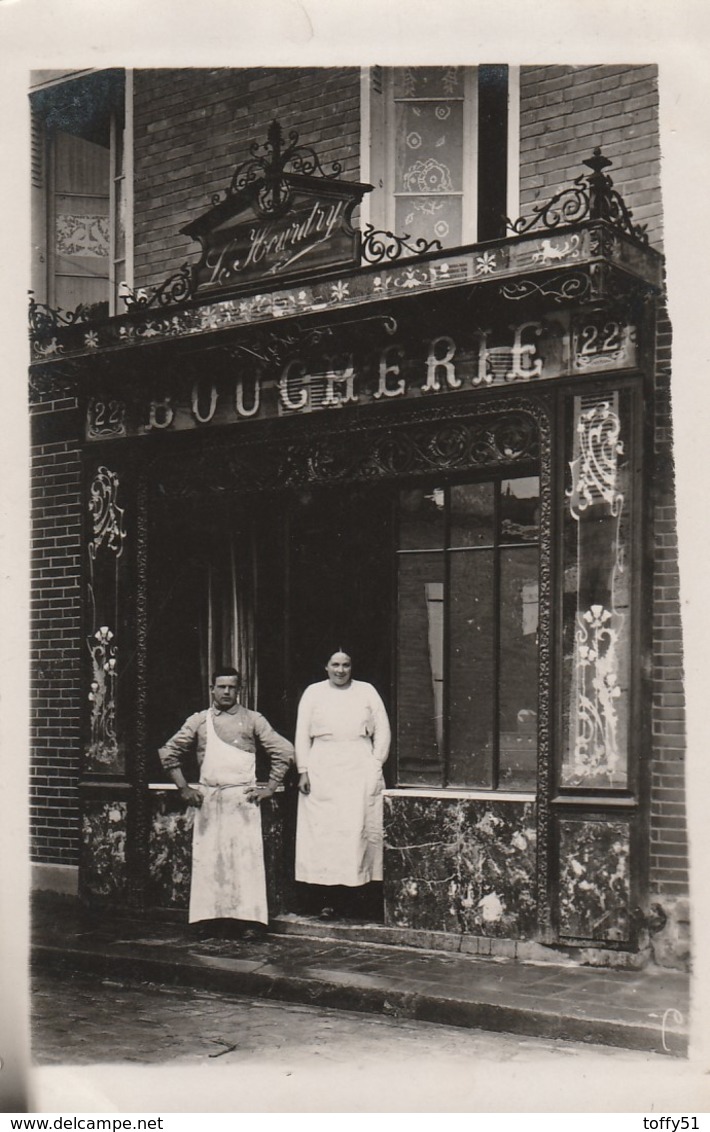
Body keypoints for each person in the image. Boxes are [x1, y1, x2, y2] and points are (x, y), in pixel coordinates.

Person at [159, 666, 294, 938]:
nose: (226, 692)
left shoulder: (253, 719)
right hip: (209, 801)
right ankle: (208, 921)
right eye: (221, 686)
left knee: (245, 863)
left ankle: (250, 923)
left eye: (232, 687)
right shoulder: (199, 720)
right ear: (212, 689)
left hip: (242, 802)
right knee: (210, 862)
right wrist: (184, 787)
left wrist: (270, 787)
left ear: (239, 689)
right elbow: (168, 751)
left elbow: (285, 751)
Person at [295, 650, 391, 920]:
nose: (340, 670)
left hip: (358, 766)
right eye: (335, 664)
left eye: (346, 665)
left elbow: (383, 730)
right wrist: (303, 770)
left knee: (356, 832)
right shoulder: (313, 693)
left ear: (352, 667)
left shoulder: (367, 691)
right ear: (326, 667)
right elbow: (302, 733)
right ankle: (326, 901)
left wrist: (375, 763)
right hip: (322, 766)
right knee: (324, 837)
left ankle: (358, 901)